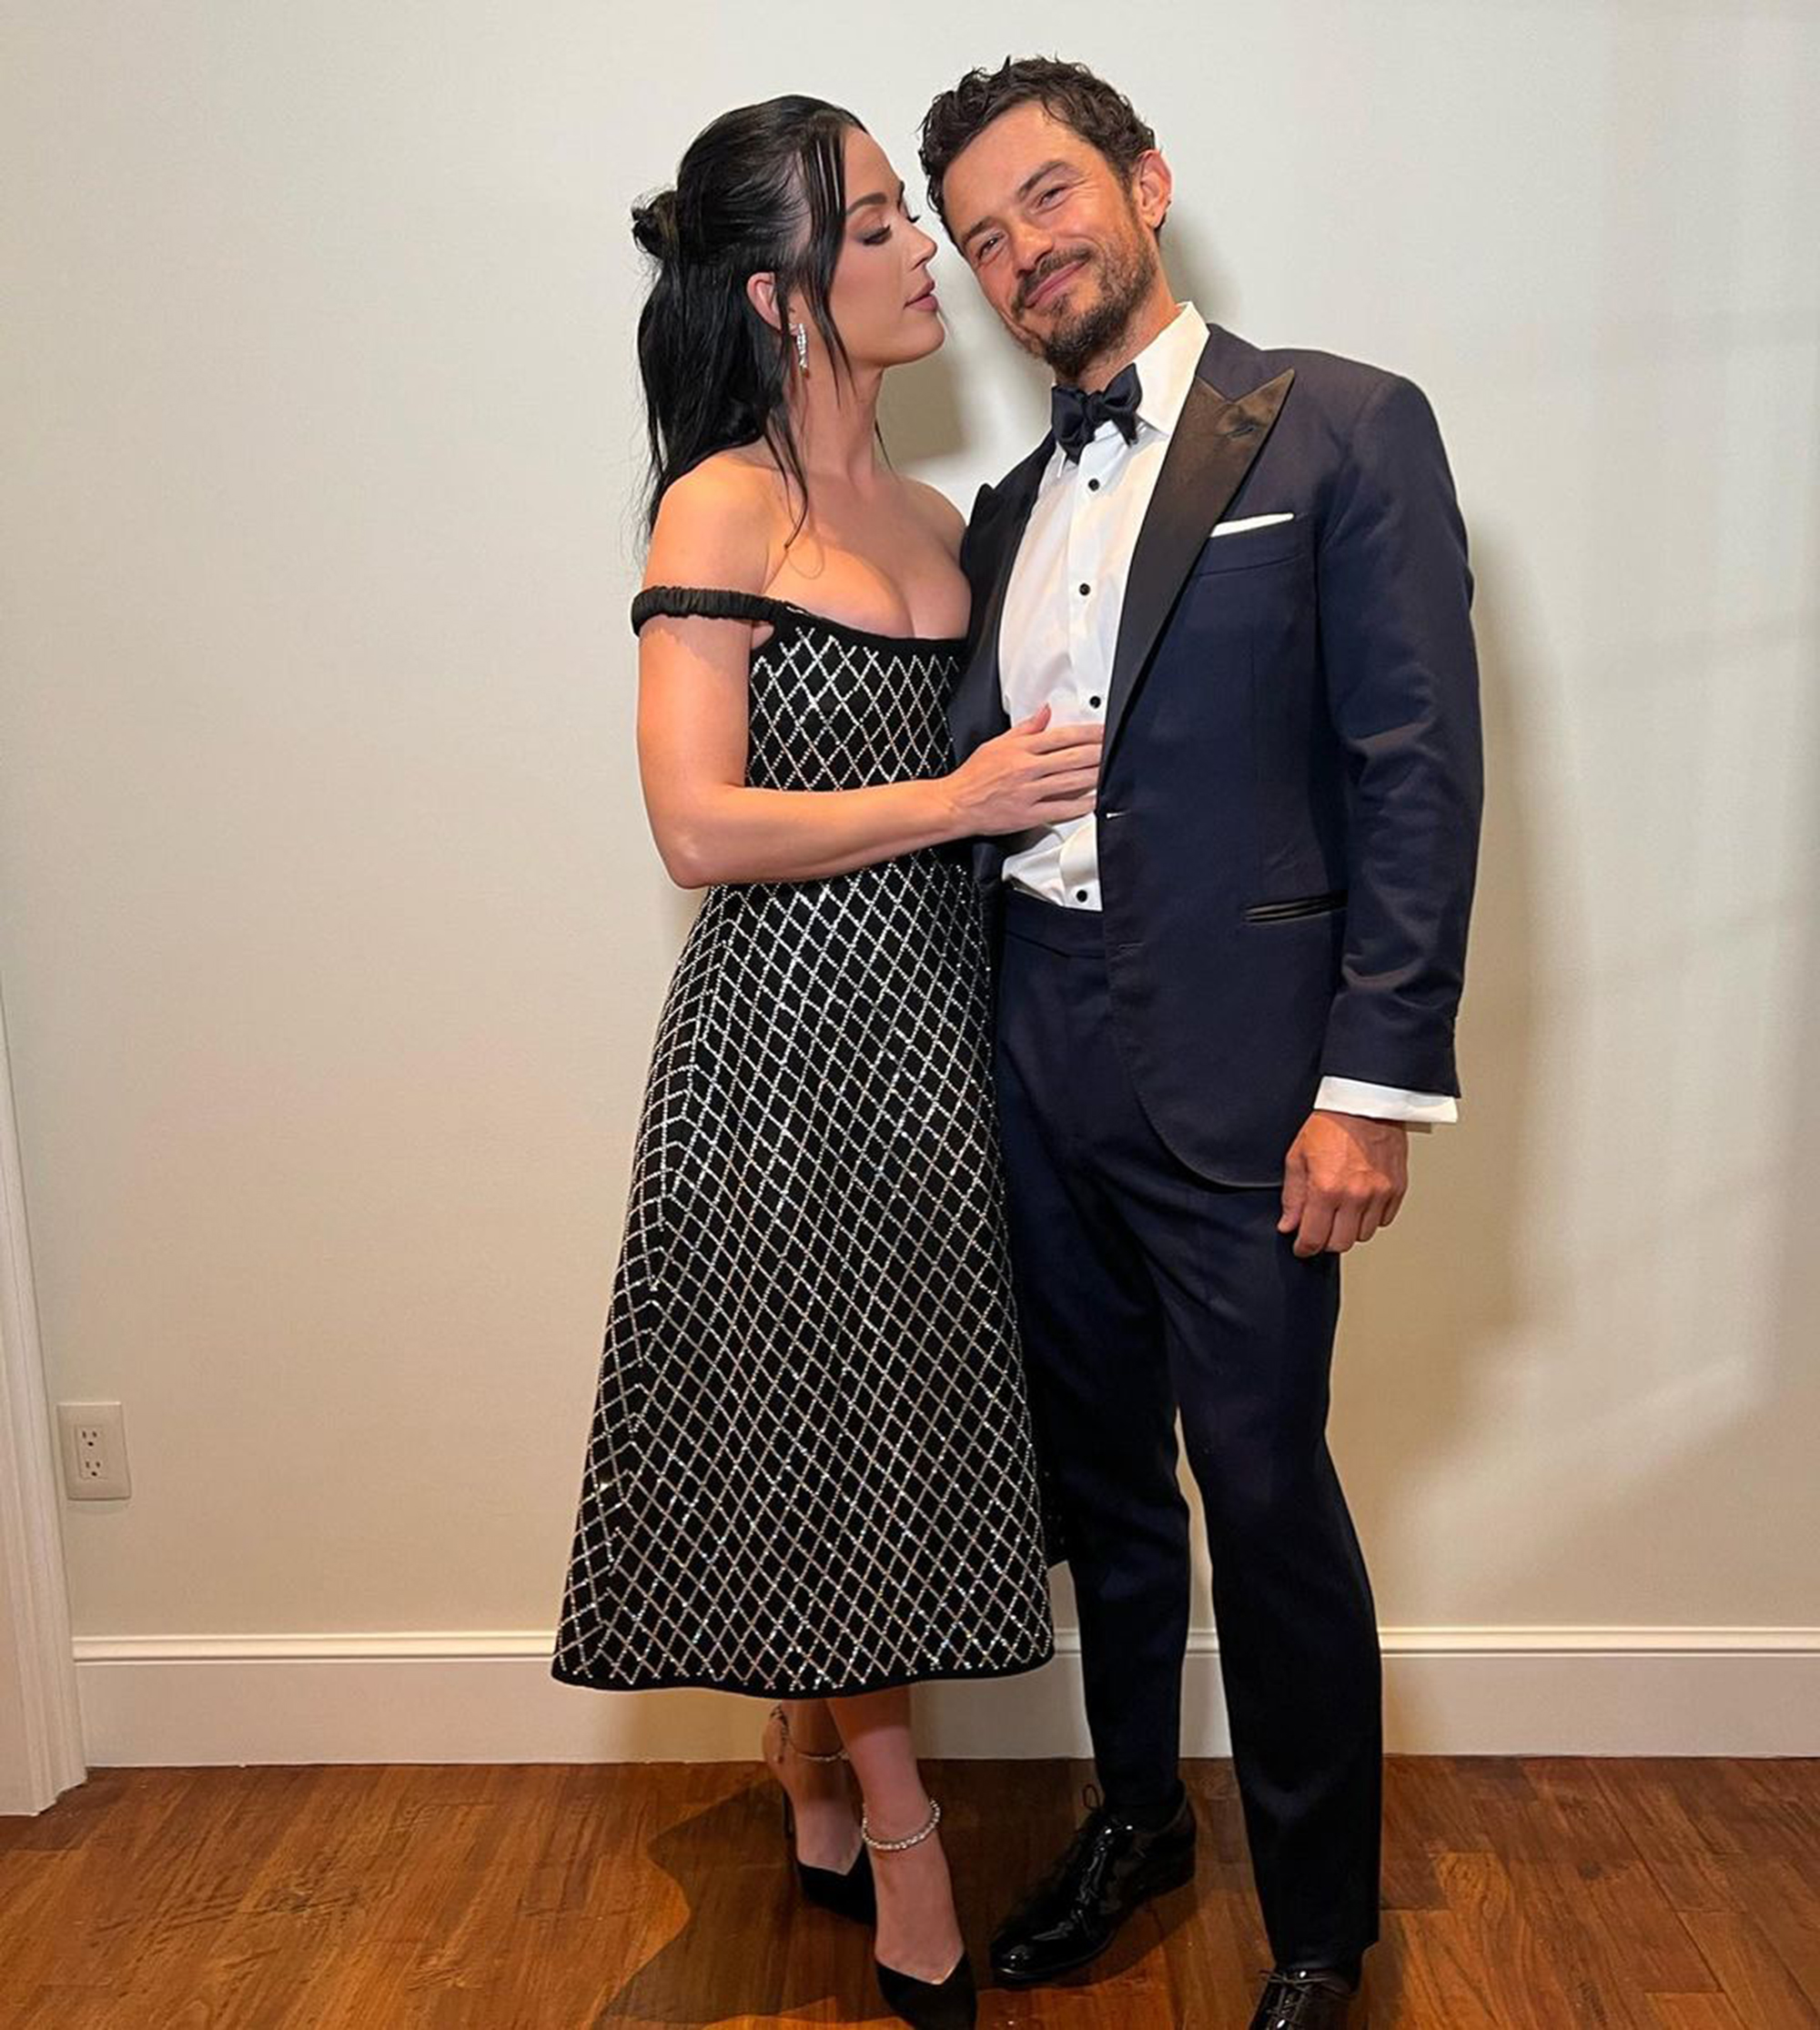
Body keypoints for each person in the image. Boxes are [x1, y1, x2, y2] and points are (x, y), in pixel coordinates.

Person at [916, 56, 1484, 2030]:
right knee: (1105, 1491)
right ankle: (1141, 1816)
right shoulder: (999, 511)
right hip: (1034, 1051)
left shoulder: (1337, 429)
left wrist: (1369, 1085)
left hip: (1253, 1083)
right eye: (981, 233)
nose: (1019, 252)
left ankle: (1322, 1929)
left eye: (1048, 196)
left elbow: (1414, 771)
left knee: (1261, 1490)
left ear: (1146, 182)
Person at [549, 94, 1099, 2030]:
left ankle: (803, 1765)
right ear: (782, 295)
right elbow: (696, 828)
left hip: (938, 1035)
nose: (925, 251)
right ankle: (904, 1827)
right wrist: (951, 787)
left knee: (873, 1421)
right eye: (879, 226)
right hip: (783, 1046)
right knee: (830, 1431)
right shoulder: (723, 504)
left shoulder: (942, 521)